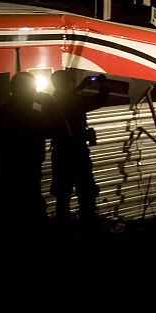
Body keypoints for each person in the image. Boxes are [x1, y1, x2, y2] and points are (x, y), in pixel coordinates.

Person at [0, 71, 51, 229]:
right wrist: (49, 103)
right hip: (29, 188)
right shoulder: (36, 117)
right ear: (32, 92)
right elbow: (65, 132)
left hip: (3, 185)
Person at [46, 71, 109, 225]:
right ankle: (87, 225)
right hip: (77, 152)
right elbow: (98, 100)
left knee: (62, 194)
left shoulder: (52, 101)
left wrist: (80, 87)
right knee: (86, 191)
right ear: (66, 83)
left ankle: (63, 227)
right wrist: (104, 86)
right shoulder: (73, 101)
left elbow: (63, 96)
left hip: (60, 154)